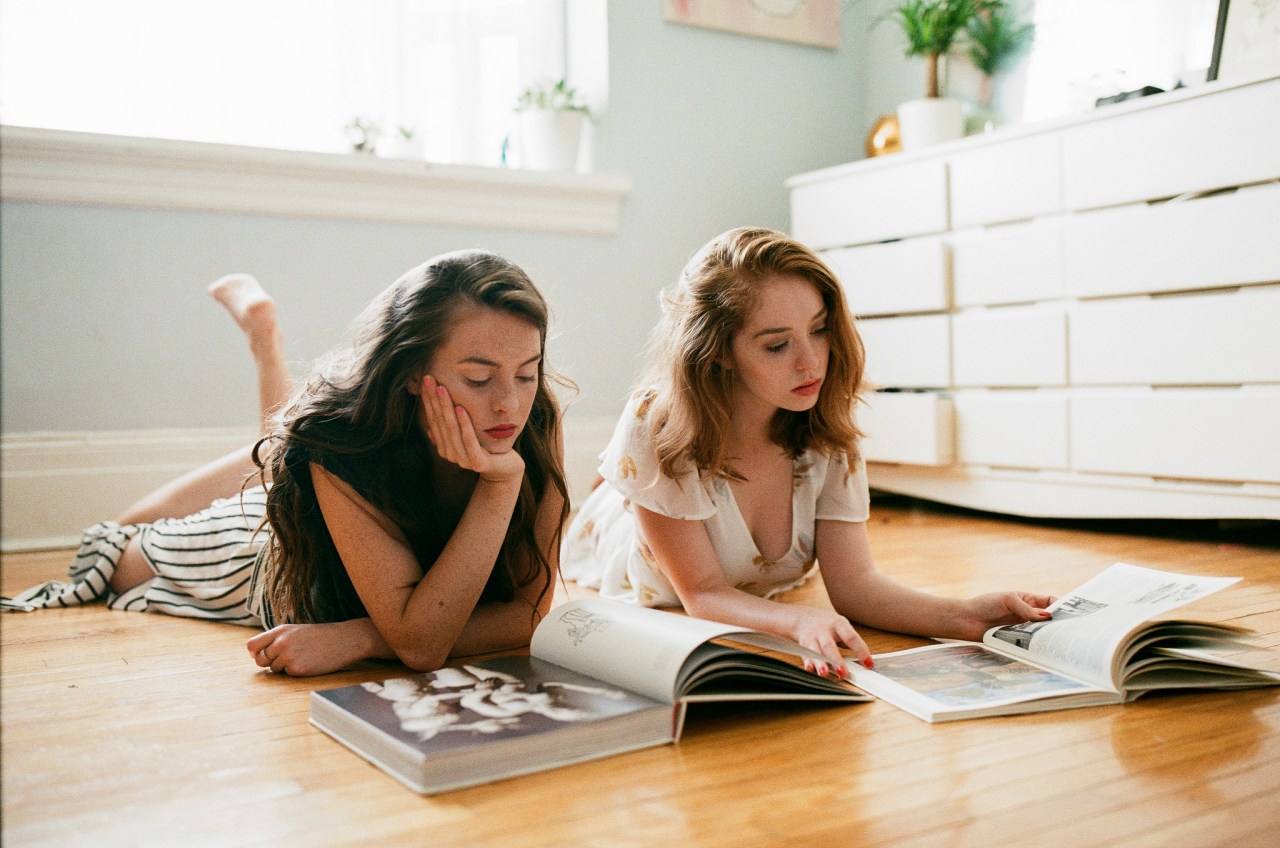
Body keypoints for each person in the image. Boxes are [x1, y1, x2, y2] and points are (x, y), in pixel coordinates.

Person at [6, 251, 570, 677]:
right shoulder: (339, 444)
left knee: (284, 454)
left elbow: (528, 615)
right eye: (478, 377)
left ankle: (275, 440)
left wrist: (361, 638)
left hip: (345, 538)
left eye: (526, 372)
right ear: (407, 373)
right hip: (274, 559)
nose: (508, 404)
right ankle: (267, 364)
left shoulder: (535, 423)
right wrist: (501, 487)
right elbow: (423, 644)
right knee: (121, 547)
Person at [561, 227, 1053, 678]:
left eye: (819, 330)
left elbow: (855, 585)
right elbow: (702, 594)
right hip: (624, 534)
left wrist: (966, 615)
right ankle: (614, 487)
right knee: (612, 500)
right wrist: (795, 620)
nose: (811, 360)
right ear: (718, 352)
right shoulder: (659, 426)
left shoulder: (823, 429)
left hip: (695, 509)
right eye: (777, 346)